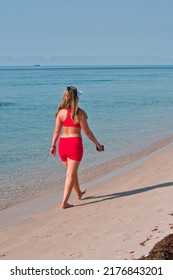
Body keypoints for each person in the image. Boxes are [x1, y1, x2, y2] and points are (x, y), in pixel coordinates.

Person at [50, 86, 104, 209]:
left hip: (63, 144)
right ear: (76, 98)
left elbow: (56, 132)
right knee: (70, 174)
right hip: (74, 145)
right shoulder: (80, 113)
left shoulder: (60, 113)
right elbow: (88, 132)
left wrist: (53, 145)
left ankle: (79, 192)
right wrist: (98, 144)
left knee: (71, 172)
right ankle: (64, 202)